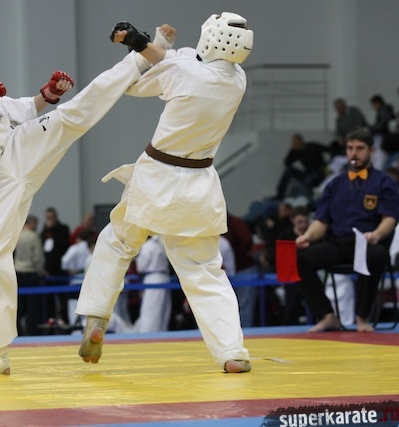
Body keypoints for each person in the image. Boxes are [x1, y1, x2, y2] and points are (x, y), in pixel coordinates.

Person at [0, 29, 156, 375]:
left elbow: (22, 109)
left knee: (71, 115)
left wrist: (48, 94)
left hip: (15, 149)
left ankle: (137, 61)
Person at [75, 14, 254, 373]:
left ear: (211, 38)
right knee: (204, 270)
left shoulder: (186, 71)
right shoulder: (237, 79)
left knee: (116, 243)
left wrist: (140, 43)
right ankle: (232, 352)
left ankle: (97, 317)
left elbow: (134, 83)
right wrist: (153, 44)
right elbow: (178, 63)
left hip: (157, 177)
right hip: (199, 184)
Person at [295, 129, 399, 332]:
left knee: (376, 255)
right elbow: (321, 221)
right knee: (301, 257)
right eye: (350, 148)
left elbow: (390, 219)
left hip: (368, 243)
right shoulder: (335, 184)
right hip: (338, 244)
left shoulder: (384, 182)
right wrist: (307, 236)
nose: (354, 153)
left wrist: (376, 235)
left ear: (371, 151)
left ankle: (362, 317)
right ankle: (327, 315)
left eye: (360, 148)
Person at [14, 214, 45, 336]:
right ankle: (31, 330)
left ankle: (17, 330)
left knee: (19, 304)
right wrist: (40, 269)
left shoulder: (16, 235)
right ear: (31, 223)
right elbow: (38, 256)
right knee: (33, 305)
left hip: (18, 270)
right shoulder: (34, 236)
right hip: (30, 271)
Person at [274, 133, 330, 200]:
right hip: (307, 173)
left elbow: (328, 149)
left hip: (319, 173)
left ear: (300, 142)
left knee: (309, 179)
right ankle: (280, 194)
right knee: (289, 170)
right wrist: (292, 151)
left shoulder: (312, 146)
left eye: (295, 143)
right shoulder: (296, 152)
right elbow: (287, 162)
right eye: (293, 143)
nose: (294, 144)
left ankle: (308, 199)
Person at [40, 207, 70, 322]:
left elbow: (62, 243)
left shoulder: (63, 229)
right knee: (49, 301)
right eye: (48, 218)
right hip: (48, 271)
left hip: (60, 269)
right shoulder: (44, 231)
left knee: (63, 300)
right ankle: (50, 322)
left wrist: (52, 230)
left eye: (52, 218)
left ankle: (65, 321)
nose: (50, 220)